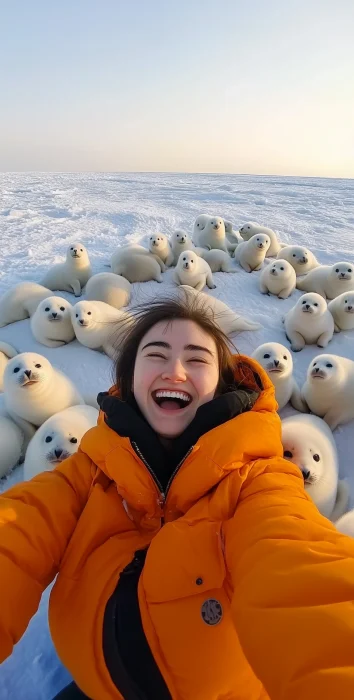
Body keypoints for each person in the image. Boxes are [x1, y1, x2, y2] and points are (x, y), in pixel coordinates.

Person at [1, 294, 354, 700]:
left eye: (198, 359)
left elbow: (304, 575)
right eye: (156, 354)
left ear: (222, 383)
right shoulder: (87, 471)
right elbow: (17, 531)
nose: (176, 371)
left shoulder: (258, 481)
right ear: (129, 378)